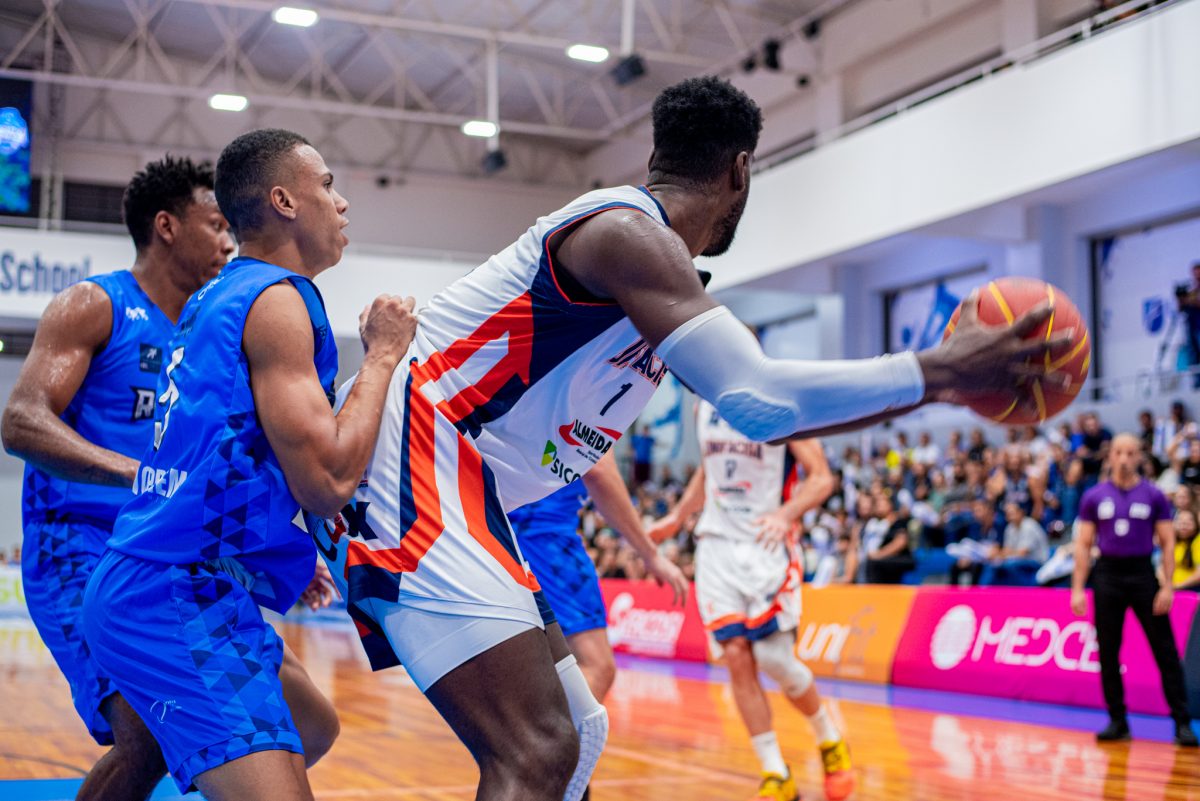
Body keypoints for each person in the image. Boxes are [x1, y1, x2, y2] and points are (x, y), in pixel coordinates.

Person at [303, 76, 1073, 801]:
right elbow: (761, 399)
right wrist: (940, 370)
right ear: (741, 171)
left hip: (461, 478)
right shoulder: (624, 233)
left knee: (575, 728)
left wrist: (935, 385)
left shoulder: (655, 269)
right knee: (536, 747)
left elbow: (776, 412)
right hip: (414, 454)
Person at [79, 130, 418, 800]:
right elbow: (327, 483)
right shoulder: (277, 300)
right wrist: (382, 356)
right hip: (168, 591)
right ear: (284, 201)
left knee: (313, 727)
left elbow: (215, 451)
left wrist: (266, 553)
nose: (342, 202)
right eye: (327, 184)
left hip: (190, 575)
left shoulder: (221, 295)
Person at [1, 156, 241, 801]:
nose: (228, 241)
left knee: (293, 714)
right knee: (145, 731)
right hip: (76, 544)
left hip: (159, 549)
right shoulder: (97, 304)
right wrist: (141, 475)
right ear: (167, 226)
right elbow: (21, 422)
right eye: (216, 224)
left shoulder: (204, 332)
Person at [648, 399, 849, 801]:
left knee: (775, 660)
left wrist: (786, 514)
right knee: (737, 658)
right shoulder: (703, 406)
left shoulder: (780, 404)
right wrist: (678, 517)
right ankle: (775, 772)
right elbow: (710, 469)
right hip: (716, 547)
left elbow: (821, 478)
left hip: (766, 544)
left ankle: (829, 738)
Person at [507, 452, 687, 706]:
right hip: (542, 536)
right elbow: (600, 471)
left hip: (494, 527)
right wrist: (650, 554)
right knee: (597, 666)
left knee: (524, 667)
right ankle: (547, 734)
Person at [1070, 434, 1198, 747]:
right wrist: (1077, 588)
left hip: (1142, 575)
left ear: (1139, 456)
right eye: (1118, 452)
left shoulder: (1153, 495)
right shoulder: (1094, 497)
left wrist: (1167, 586)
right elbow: (1084, 544)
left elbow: (1167, 542)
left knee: (1165, 651)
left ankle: (1182, 723)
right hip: (1107, 575)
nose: (1124, 458)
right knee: (1108, 651)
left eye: (1130, 453)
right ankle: (1118, 720)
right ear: (1110, 456)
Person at [980, 501, 1049, 586]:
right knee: (992, 563)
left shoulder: (1029, 526)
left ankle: (1023, 590)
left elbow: (1023, 553)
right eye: (1008, 514)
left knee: (1009, 564)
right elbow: (1007, 550)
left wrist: (1002, 555)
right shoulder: (1010, 528)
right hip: (1018, 560)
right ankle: (984, 590)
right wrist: (997, 555)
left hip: (1036, 561)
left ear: (1021, 512)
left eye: (1012, 513)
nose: (1010, 516)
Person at [1172, 508, 1200, 591]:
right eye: (1180, 522)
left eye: (1188, 522)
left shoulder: (1198, 541)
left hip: (1191, 590)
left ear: (1196, 525)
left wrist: (1177, 586)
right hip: (1171, 588)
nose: (1183, 526)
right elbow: (1162, 566)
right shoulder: (1173, 541)